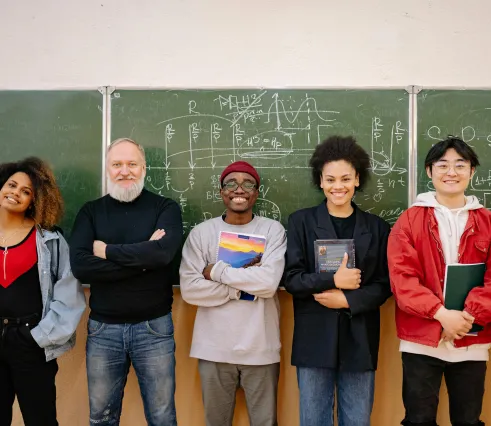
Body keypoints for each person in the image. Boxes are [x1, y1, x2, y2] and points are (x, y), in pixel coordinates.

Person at [388, 136, 491, 426]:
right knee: (418, 419)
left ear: (472, 172)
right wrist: (442, 316)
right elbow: (402, 279)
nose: (451, 172)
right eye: (442, 164)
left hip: (472, 340)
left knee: (468, 420)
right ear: (429, 171)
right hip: (421, 341)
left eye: (461, 165)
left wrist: (466, 319)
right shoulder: (408, 222)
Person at [69, 138, 183, 426]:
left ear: (144, 168)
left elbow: (164, 255)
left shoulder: (166, 208)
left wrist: (106, 251)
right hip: (103, 329)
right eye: (117, 164)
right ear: (107, 169)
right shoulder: (90, 211)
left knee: (162, 417)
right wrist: (144, 259)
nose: (125, 171)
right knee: (101, 418)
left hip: (154, 328)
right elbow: (81, 266)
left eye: (132, 164)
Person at [284, 135, 391, 426]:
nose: (338, 186)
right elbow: (292, 279)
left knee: (357, 420)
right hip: (314, 338)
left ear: (358, 178)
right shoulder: (300, 222)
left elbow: (384, 285)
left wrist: (347, 299)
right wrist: (333, 279)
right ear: (320, 181)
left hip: (359, 339)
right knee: (313, 420)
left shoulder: (377, 227)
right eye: (330, 179)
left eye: (346, 178)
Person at [180, 161, 286, 426]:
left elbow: (267, 284)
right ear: (221, 192)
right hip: (214, 349)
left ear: (257, 192)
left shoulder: (273, 231)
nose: (239, 189)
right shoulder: (201, 234)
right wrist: (239, 290)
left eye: (248, 183)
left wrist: (216, 271)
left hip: (260, 348)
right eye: (231, 184)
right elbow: (191, 289)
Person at [0, 157, 86, 426]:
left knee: (41, 420)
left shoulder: (49, 239)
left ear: (35, 201)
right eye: (12, 185)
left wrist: (37, 337)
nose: (15, 193)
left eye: (26, 191)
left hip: (30, 343)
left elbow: (68, 294)